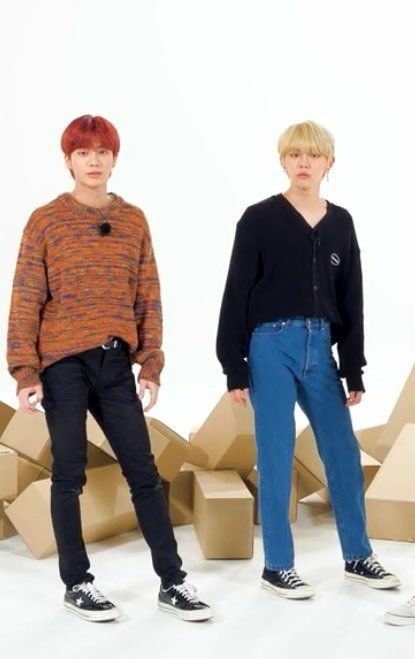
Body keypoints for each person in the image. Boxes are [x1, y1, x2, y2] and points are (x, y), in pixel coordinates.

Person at [7, 114, 212, 623]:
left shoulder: (133, 221)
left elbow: (148, 293)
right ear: (68, 160)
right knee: (69, 472)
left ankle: (173, 581)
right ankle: (77, 583)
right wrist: (26, 372)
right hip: (62, 363)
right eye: (83, 153)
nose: (93, 161)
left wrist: (151, 363)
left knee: (143, 471)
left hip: (115, 360)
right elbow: (26, 297)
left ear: (114, 159)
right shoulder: (46, 220)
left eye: (102, 152)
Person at [216, 120, 400, 600]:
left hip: (320, 349)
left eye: (313, 155)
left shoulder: (341, 223)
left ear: (328, 163)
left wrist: (353, 366)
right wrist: (234, 365)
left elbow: (352, 297)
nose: (304, 163)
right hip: (269, 346)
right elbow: (236, 292)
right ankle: (277, 566)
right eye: (295, 154)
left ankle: (358, 555)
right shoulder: (258, 218)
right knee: (276, 455)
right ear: (283, 160)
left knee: (342, 453)